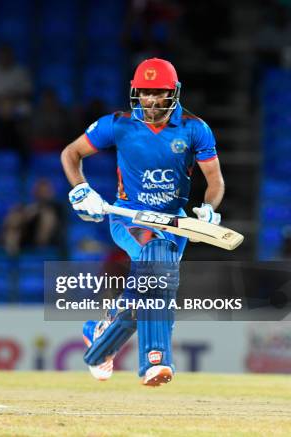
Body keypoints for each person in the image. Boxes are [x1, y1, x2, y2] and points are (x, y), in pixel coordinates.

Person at [61, 58, 225, 386]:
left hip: (174, 222)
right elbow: (71, 154)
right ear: (136, 92)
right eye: (145, 93)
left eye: (158, 93)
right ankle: (155, 360)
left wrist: (208, 209)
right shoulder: (117, 123)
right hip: (129, 217)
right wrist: (82, 190)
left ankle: (98, 337)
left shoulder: (195, 128)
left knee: (147, 292)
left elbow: (215, 181)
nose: (150, 100)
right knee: (157, 259)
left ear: (173, 93)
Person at [2, 179, 63, 255]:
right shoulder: (29, 205)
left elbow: (59, 225)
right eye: (40, 191)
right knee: (15, 218)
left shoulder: (59, 207)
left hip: (50, 238)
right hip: (27, 234)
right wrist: (28, 213)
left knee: (47, 217)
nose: (43, 194)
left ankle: (40, 249)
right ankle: (11, 255)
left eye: (45, 191)